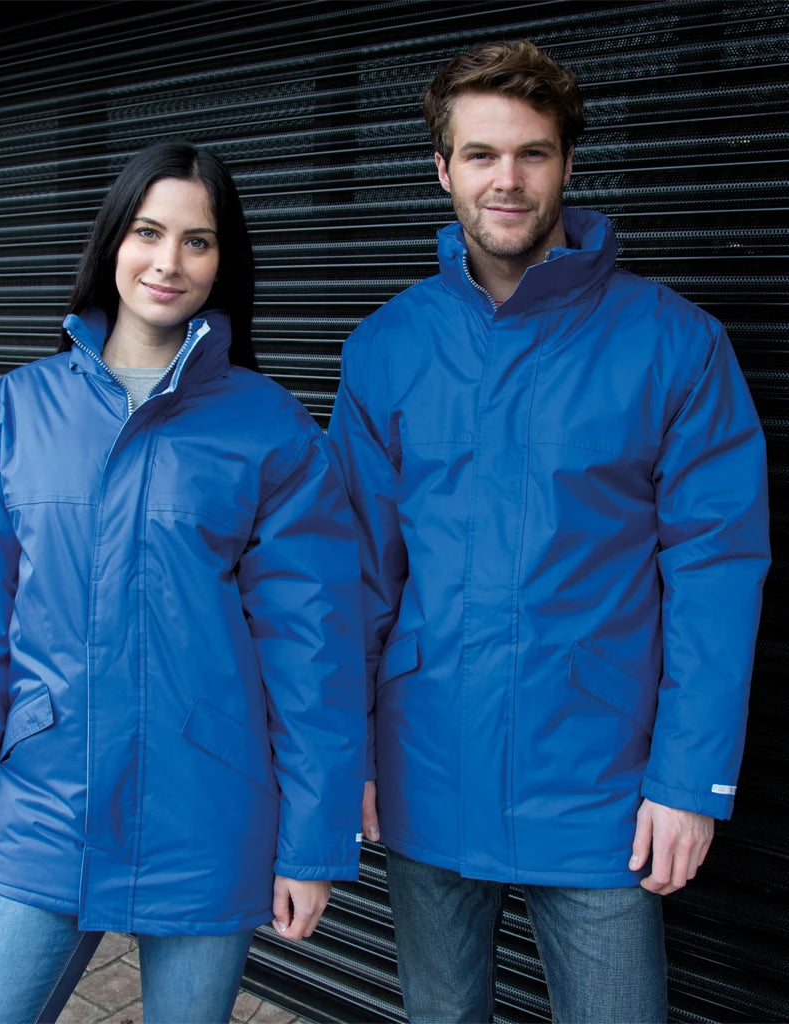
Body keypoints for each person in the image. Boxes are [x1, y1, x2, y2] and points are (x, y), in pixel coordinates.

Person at [327, 40, 770, 1024]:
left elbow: (716, 569)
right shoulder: (387, 347)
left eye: (532, 152)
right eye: (480, 154)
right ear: (441, 169)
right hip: (425, 765)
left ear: (568, 162)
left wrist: (689, 779)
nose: (507, 179)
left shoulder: (674, 343)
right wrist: (344, 750)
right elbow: (355, 574)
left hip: (601, 780)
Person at [0, 141, 365, 1024]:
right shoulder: (15, 409)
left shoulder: (269, 427)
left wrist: (313, 843)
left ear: (223, 262)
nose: (169, 262)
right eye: (148, 232)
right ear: (112, 240)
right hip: (45, 804)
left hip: (210, 808)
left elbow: (313, 650)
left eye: (198, 241)